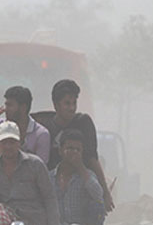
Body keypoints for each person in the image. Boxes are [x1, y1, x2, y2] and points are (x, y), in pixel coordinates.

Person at [32, 79, 114, 212]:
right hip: (53, 182)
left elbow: (92, 158)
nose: (71, 108)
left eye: (74, 103)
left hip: (80, 180)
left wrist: (105, 192)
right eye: (67, 103)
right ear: (56, 105)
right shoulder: (45, 126)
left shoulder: (83, 123)